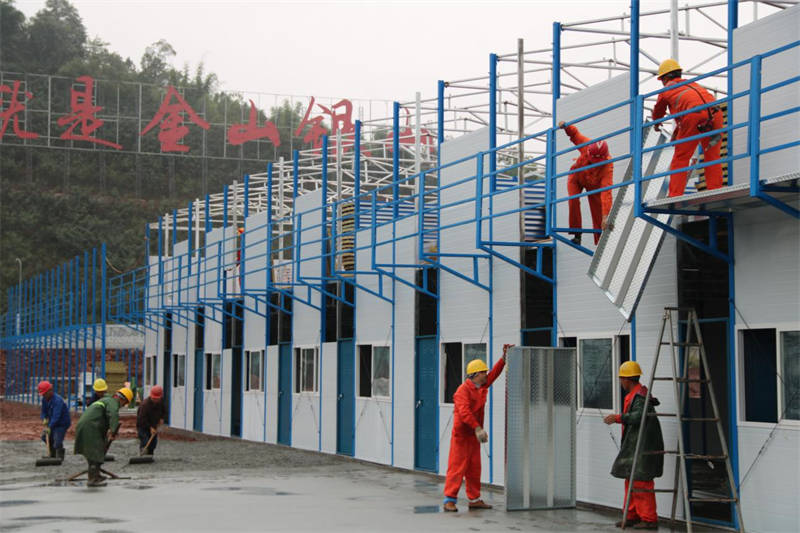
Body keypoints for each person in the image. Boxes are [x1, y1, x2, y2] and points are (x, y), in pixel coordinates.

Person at [443, 344, 513, 512]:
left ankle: (474, 499)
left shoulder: (480, 387)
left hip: (473, 436)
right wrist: (477, 428)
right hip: (462, 436)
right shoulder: (462, 391)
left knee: (474, 468)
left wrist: (503, 359)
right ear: (475, 375)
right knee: (457, 467)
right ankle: (449, 500)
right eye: (483, 372)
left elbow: (494, 375)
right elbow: (464, 412)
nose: (486, 375)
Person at [603, 361, 664, 530]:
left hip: (643, 446)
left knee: (641, 482)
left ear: (627, 379)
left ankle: (649, 519)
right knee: (630, 480)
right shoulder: (635, 395)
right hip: (635, 445)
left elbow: (638, 416)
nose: (620, 382)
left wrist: (618, 418)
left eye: (621, 379)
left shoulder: (640, 397)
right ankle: (631, 516)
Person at [652, 58, 724, 197]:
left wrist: (656, 123)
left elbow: (658, 110)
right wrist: (678, 131)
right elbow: (687, 109)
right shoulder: (692, 84)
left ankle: (675, 194)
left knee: (681, 157)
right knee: (712, 155)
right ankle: (715, 190)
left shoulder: (667, 90)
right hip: (715, 113)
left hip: (694, 115)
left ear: (665, 78)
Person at [558, 121, 613, 245]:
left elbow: (606, 192)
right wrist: (566, 126)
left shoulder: (607, 167)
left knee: (599, 209)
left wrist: (606, 216)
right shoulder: (586, 144)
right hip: (577, 176)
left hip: (593, 183)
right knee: (573, 199)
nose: (594, 163)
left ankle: (601, 240)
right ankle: (577, 233)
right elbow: (575, 135)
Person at [74, 387, 133, 487]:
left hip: (88, 426)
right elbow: (113, 414)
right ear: (122, 399)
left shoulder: (106, 400)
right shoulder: (113, 402)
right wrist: (113, 430)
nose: (123, 406)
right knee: (95, 451)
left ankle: (96, 475)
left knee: (97, 449)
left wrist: (109, 432)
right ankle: (92, 479)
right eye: (125, 403)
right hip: (90, 427)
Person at [38, 380, 71, 460]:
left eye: (45, 393)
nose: (44, 395)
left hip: (61, 423)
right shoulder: (45, 399)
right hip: (52, 422)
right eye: (43, 394)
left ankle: (59, 457)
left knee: (57, 440)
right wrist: (44, 418)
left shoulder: (57, 400)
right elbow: (43, 411)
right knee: (45, 437)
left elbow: (56, 416)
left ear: (50, 391)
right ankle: (52, 454)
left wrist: (49, 427)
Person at [136, 385, 167, 455]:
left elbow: (164, 411)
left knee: (153, 443)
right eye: (154, 398)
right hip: (143, 426)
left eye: (157, 399)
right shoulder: (144, 405)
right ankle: (143, 454)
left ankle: (150, 455)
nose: (155, 400)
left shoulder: (161, 402)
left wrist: (162, 418)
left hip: (154, 424)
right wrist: (150, 427)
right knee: (145, 441)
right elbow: (141, 420)